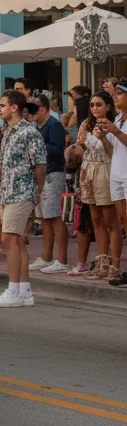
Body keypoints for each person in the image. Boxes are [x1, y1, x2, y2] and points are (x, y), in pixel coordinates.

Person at [0, 90, 47, 307]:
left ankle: (14, 290)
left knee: (8, 237)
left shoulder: (29, 131)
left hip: (22, 191)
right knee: (16, 239)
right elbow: (14, 162)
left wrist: (37, 189)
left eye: (3, 105)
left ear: (14, 107)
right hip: (8, 190)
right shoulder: (8, 130)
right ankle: (24, 290)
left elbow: (40, 165)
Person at [69, 91, 121, 280]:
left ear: (108, 106)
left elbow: (114, 153)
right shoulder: (86, 123)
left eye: (98, 104)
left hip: (106, 171)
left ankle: (114, 264)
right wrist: (75, 150)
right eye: (92, 105)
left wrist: (103, 137)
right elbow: (81, 149)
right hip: (87, 171)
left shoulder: (114, 124)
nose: (94, 108)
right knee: (96, 220)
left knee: (110, 221)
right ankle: (102, 261)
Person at [28, 95, 70, 274]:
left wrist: (38, 149)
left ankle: (62, 259)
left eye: (32, 111)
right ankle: (46, 257)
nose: (29, 115)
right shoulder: (37, 126)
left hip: (53, 173)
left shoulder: (53, 125)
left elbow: (56, 149)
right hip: (43, 175)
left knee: (54, 216)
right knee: (45, 217)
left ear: (42, 109)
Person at [100, 82, 127, 286]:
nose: (115, 97)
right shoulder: (118, 118)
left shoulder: (118, 123)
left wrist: (116, 131)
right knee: (123, 221)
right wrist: (103, 138)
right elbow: (112, 151)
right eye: (115, 93)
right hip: (117, 173)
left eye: (120, 94)